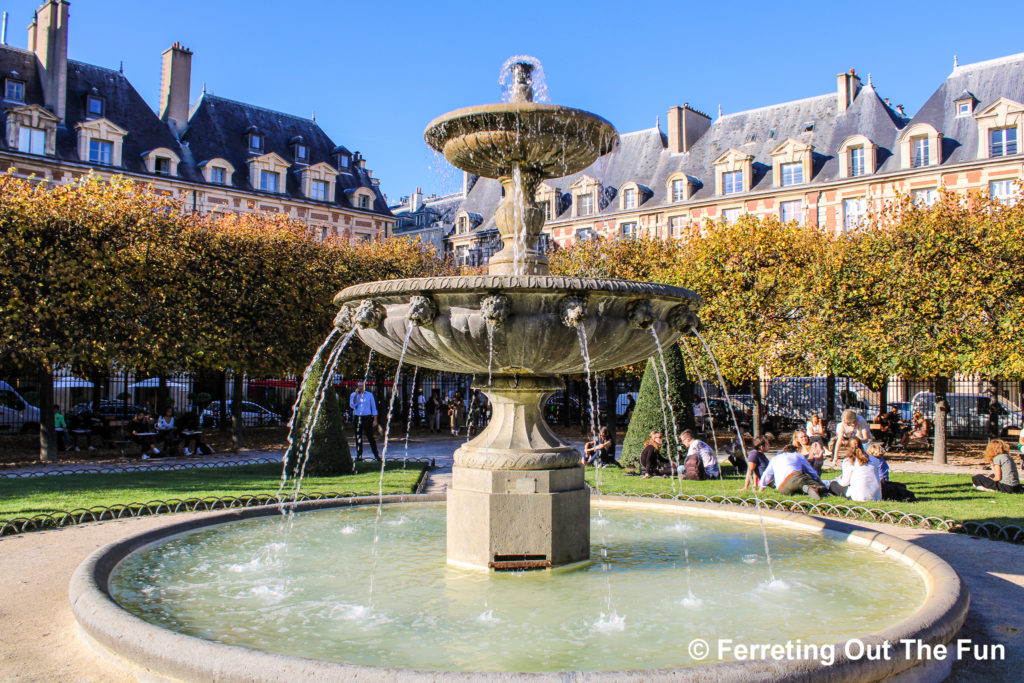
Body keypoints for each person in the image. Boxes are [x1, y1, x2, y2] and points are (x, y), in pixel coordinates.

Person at [758, 447, 828, 499]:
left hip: (782, 488)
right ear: (795, 451)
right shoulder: (797, 455)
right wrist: (820, 482)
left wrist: (761, 489)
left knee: (798, 488)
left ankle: (805, 488)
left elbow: (766, 474)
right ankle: (815, 488)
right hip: (795, 477)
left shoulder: (774, 459)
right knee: (822, 487)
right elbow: (811, 472)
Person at [349, 382, 380, 461]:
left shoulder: (369, 395)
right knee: (358, 437)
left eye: (362, 386)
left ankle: (376, 455)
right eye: (359, 386)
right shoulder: (353, 395)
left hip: (367, 418)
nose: (361, 387)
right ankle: (359, 455)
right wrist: (356, 395)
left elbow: (374, 408)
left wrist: (375, 420)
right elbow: (352, 405)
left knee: (370, 437)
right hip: (357, 417)